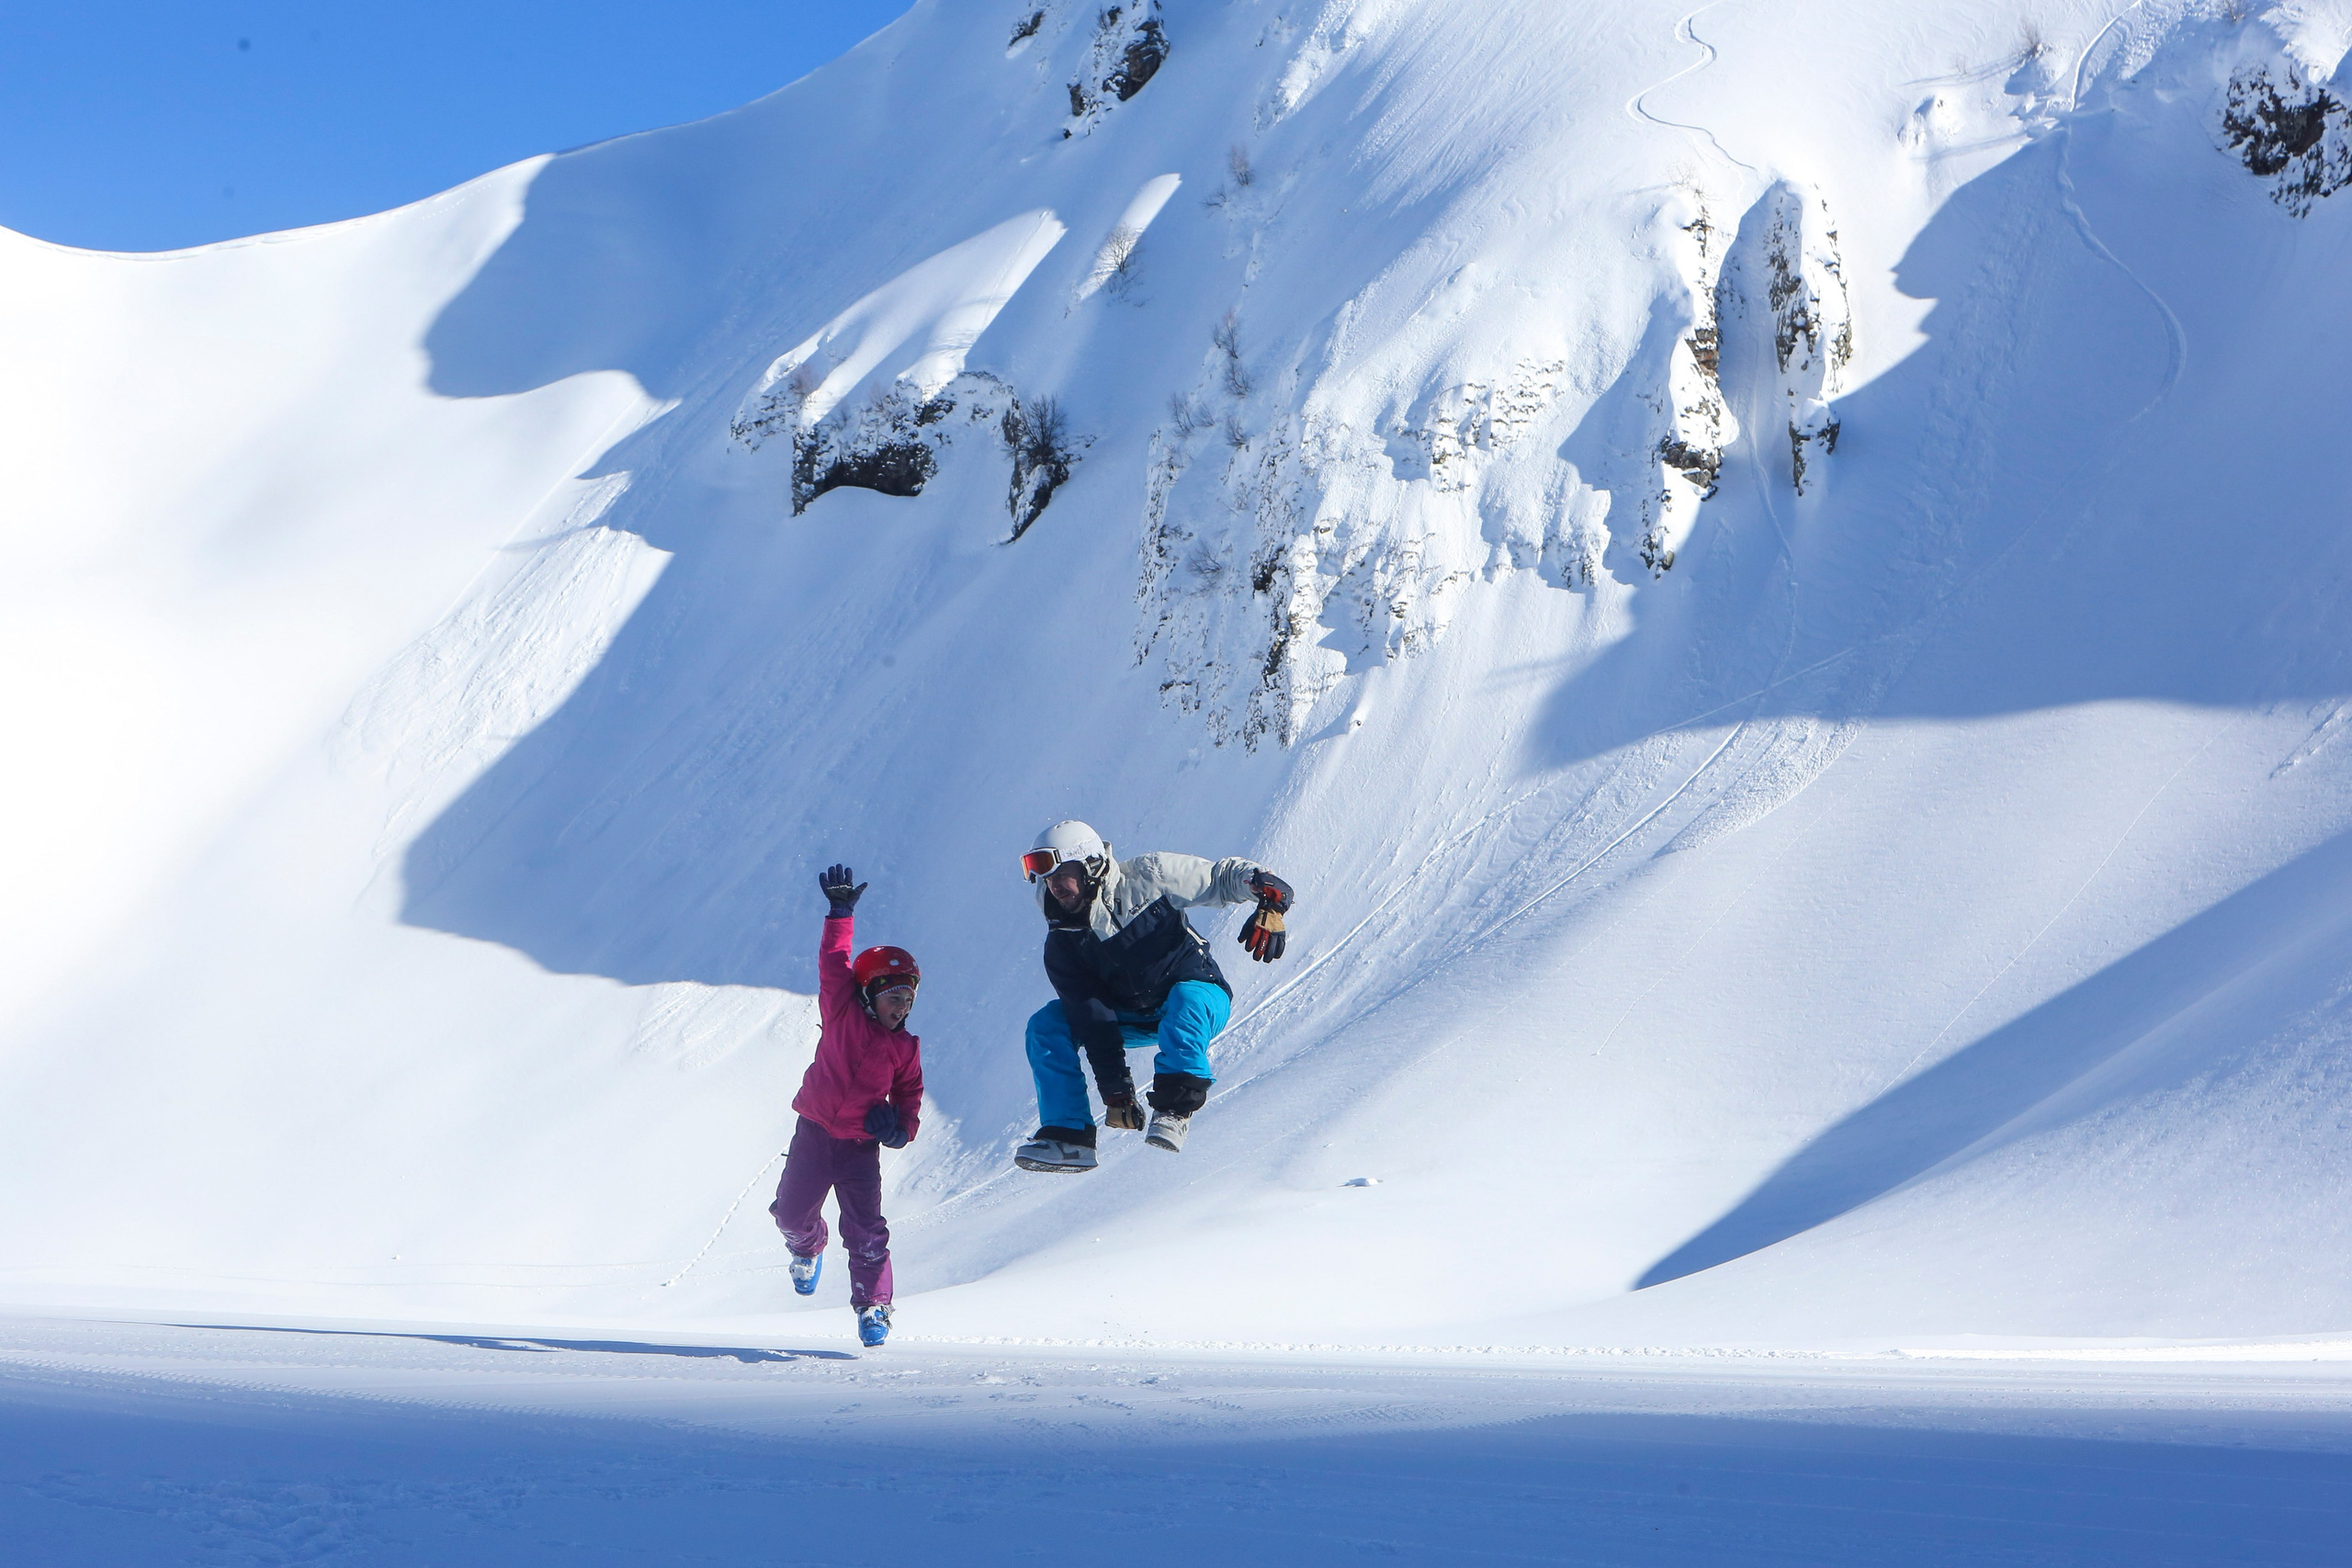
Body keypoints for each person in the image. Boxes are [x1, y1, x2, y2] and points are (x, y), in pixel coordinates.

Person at [1012, 820, 1293, 1173]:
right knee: (1046, 1025)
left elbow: (1219, 878)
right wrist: (1117, 1092)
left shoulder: (1148, 878)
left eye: (1063, 873)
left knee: (1186, 1000)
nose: (1055, 886)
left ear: (1092, 867)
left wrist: (1265, 890)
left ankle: (1175, 1109)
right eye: (1046, 878)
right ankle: (1070, 1139)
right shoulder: (1063, 942)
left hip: (1200, 996)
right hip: (1132, 1017)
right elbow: (1093, 1018)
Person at [768, 863, 924, 1348]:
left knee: (866, 1230)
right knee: (790, 1213)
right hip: (814, 1132)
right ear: (871, 994)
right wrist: (840, 914)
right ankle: (806, 1247)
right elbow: (833, 961)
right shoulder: (840, 1010)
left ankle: (874, 1306)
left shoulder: (905, 1048)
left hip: (859, 1146)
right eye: (894, 997)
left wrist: (899, 1129)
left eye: (910, 999)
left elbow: (909, 1096)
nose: (902, 1007)